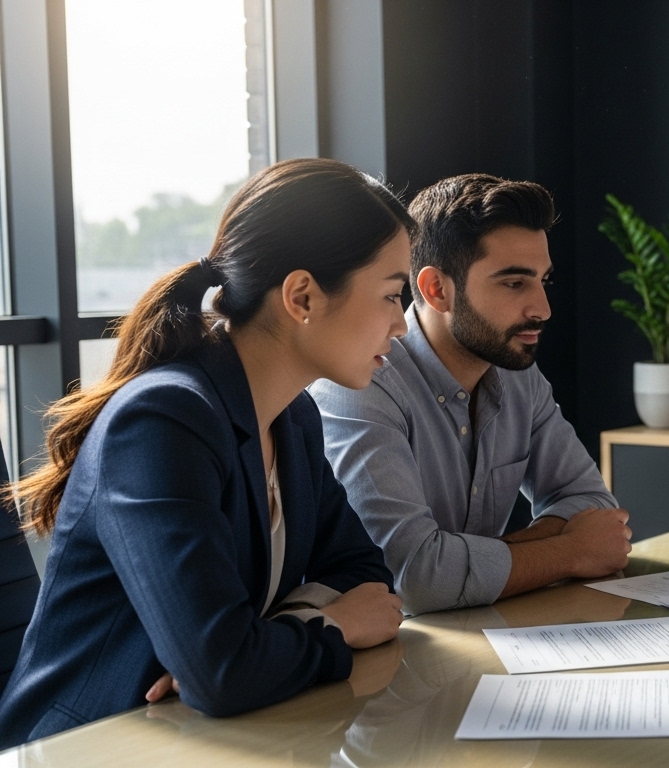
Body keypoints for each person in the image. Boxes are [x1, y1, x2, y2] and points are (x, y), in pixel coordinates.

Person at [0, 158, 410, 747]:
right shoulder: (164, 420)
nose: (401, 325)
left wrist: (271, 638)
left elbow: (367, 579)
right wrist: (331, 626)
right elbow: (223, 673)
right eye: (393, 295)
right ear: (302, 297)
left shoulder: (293, 417)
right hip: (88, 746)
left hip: (195, 740)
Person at [309, 173, 630, 615]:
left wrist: (467, 560)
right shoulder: (362, 386)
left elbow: (593, 506)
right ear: (436, 289)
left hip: (475, 639)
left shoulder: (518, 373)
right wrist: (569, 552)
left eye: (543, 281)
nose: (543, 309)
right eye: (514, 283)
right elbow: (414, 578)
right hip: (377, 662)